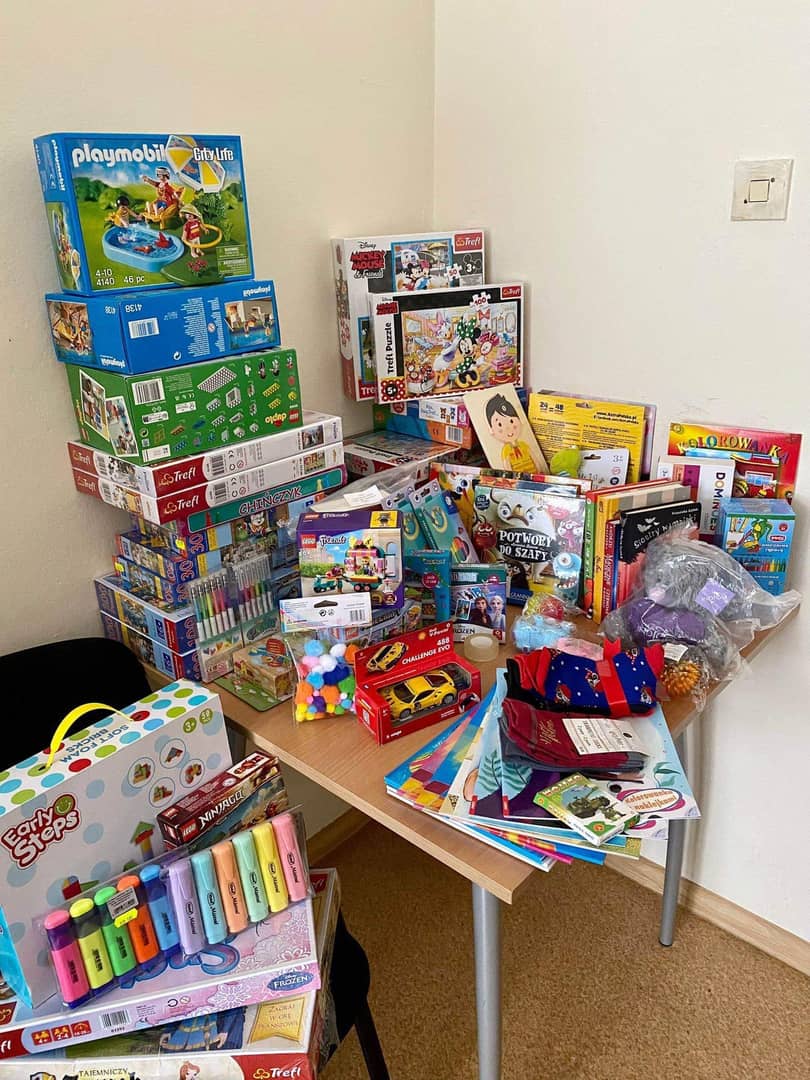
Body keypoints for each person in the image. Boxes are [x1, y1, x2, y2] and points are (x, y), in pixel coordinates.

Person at [484, 393, 537, 473]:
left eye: (511, 421)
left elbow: (534, 459)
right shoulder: (506, 450)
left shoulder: (523, 445)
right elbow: (507, 467)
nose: (508, 428)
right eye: (500, 424)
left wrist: (540, 471)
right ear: (492, 430)